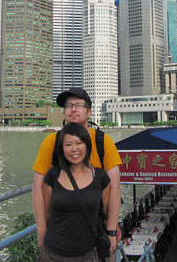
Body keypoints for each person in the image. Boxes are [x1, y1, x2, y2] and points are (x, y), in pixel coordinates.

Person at [33, 88, 122, 256]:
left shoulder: (102, 141)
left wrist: (111, 229)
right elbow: (38, 188)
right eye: (68, 106)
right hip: (60, 233)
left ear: (89, 112)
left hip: (98, 230)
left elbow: (115, 187)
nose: (73, 109)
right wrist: (42, 228)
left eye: (78, 105)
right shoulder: (51, 142)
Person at [37, 122, 110, 261]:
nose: (74, 149)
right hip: (52, 253)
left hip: (87, 253)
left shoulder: (101, 177)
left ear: (87, 146)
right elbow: (47, 213)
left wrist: (110, 233)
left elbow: (106, 212)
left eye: (79, 143)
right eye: (68, 145)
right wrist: (42, 231)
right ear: (62, 149)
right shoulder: (52, 175)